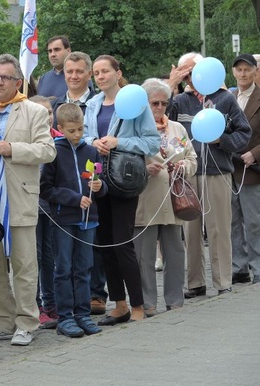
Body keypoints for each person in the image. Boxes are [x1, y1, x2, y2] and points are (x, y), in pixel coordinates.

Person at [0, 54, 56, 346]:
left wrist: (13, 148)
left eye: (4, 77)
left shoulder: (32, 110)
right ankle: (4, 321)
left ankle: (26, 322)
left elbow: (48, 151)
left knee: (23, 263)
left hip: (18, 195)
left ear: (17, 82)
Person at [83, 54, 160, 324]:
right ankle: (119, 304)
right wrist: (94, 141)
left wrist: (119, 142)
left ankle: (138, 305)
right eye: (96, 73)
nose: (100, 76)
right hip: (98, 179)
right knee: (104, 244)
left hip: (125, 180)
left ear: (118, 73)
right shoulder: (92, 104)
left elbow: (152, 143)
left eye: (105, 71)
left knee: (122, 243)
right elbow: (83, 135)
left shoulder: (135, 103)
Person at [168, 52, 251, 298]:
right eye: (183, 73)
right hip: (187, 173)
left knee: (219, 229)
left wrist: (222, 140)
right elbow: (159, 122)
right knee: (190, 231)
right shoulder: (179, 101)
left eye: (191, 71)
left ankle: (223, 280)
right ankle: (195, 283)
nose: (188, 77)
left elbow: (243, 134)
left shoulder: (225, 98)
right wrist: (171, 85)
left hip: (218, 172)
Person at [40, 103, 106, 337]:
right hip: (64, 220)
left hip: (89, 219)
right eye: (71, 131)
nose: (77, 135)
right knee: (63, 268)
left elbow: (101, 181)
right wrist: (73, 199)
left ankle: (83, 314)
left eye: (80, 129)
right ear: (60, 128)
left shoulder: (91, 151)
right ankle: (65, 317)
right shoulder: (53, 151)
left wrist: (100, 187)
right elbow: (45, 189)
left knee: (84, 267)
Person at [134, 78, 197, 316]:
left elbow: (192, 159)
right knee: (144, 256)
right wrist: (143, 168)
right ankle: (148, 302)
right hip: (146, 199)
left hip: (174, 200)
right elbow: (125, 163)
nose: (160, 108)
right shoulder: (134, 128)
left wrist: (183, 167)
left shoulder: (177, 129)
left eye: (164, 103)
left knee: (175, 253)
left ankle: (175, 301)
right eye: (154, 103)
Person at [29, 95, 62, 329]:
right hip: (31, 206)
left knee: (50, 257)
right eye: (42, 112)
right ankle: (36, 305)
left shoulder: (59, 141)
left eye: (50, 112)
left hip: (52, 208)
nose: (47, 116)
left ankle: (50, 303)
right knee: (35, 257)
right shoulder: (28, 139)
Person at [230, 54, 260, 285]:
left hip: (251, 169)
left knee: (253, 221)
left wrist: (255, 153)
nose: (243, 74)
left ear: (255, 71)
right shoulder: (227, 97)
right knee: (232, 220)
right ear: (233, 72)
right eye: (239, 70)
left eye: (247, 70)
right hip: (228, 167)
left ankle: (257, 266)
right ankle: (238, 267)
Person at [51, 51, 96, 128]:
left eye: (79, 72)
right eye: (70, 72)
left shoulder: (98, 105)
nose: (74, 76)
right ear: (64, 74)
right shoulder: (52, 106)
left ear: (89, 74)